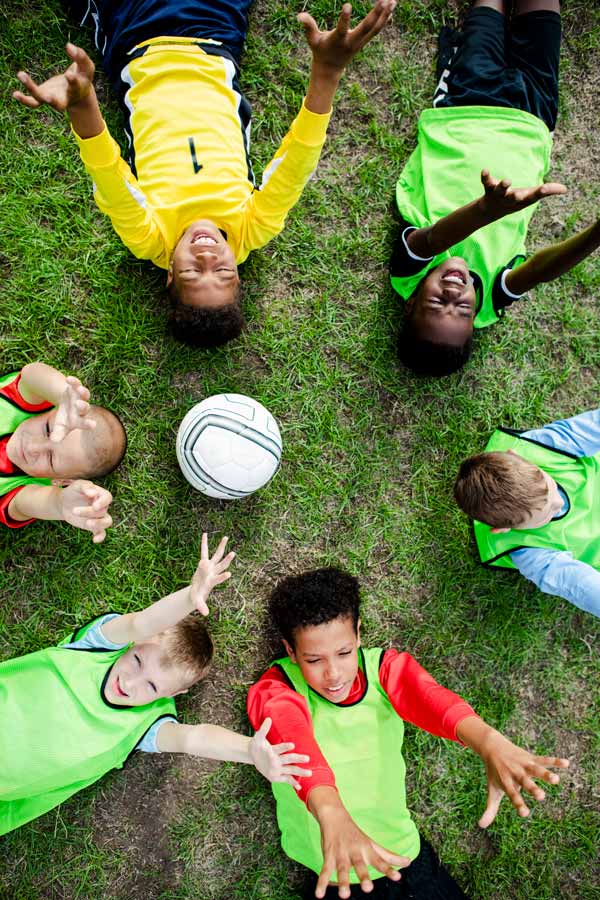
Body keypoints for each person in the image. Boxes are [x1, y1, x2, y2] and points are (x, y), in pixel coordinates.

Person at [13, 0, 395, 348]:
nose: (206, 253)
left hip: (136, 35)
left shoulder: (150, 238)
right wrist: (327, 72)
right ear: (238, 272)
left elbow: (108, 175)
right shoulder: (252, 227)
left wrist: (82, 104)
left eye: (193, 271)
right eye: (224, 269)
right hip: (215, 31)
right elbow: (296, 162)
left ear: (169, 275)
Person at [247, 567, 569, 899]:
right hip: (335, 877)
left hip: (406, 861)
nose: (333, 675)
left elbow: (432, 701)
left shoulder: (382, 669)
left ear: (358, 634)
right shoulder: (277, 688)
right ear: (290, 651)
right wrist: (331, 812)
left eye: (344, 653)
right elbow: (294, 741)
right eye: (314, 660)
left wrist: (489, 741)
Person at [0, 534, 311, 836]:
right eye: (136, 661)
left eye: (151, 687)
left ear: (172, 695)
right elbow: (142, 623)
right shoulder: (99, 647)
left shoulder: (146, 724)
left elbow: (193, 739)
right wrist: (190, 597)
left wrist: (247, 751)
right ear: (133, 645)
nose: (130, 682)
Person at [389, 0, 600, 376]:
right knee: (544, 14)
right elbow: (539, 270)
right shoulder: (492, 296)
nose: (454, 295)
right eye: (463, 310)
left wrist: (486, 210)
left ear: (411, 304)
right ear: (477, 318)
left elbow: (435, 237)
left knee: (488, 11)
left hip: (466, 105)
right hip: (534, 116)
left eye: (436, 305)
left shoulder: (407, 274)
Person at [454, 408, 600, 617]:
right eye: (548, 512)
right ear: (502, 530)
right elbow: (586, 588)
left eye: (551, 488)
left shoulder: (543, 446)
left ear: (518, 456)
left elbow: (593, 426)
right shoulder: (531, 554)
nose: (558, 501)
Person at [0, 362, 125, 541]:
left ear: (60, 481)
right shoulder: (23, 404)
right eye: (47, 430)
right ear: (56, 410)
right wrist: (63, 393)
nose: (33, 448)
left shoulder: (23, 490)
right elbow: (31, 375)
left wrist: (59, 504)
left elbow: (31, 504)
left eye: (50, 459)